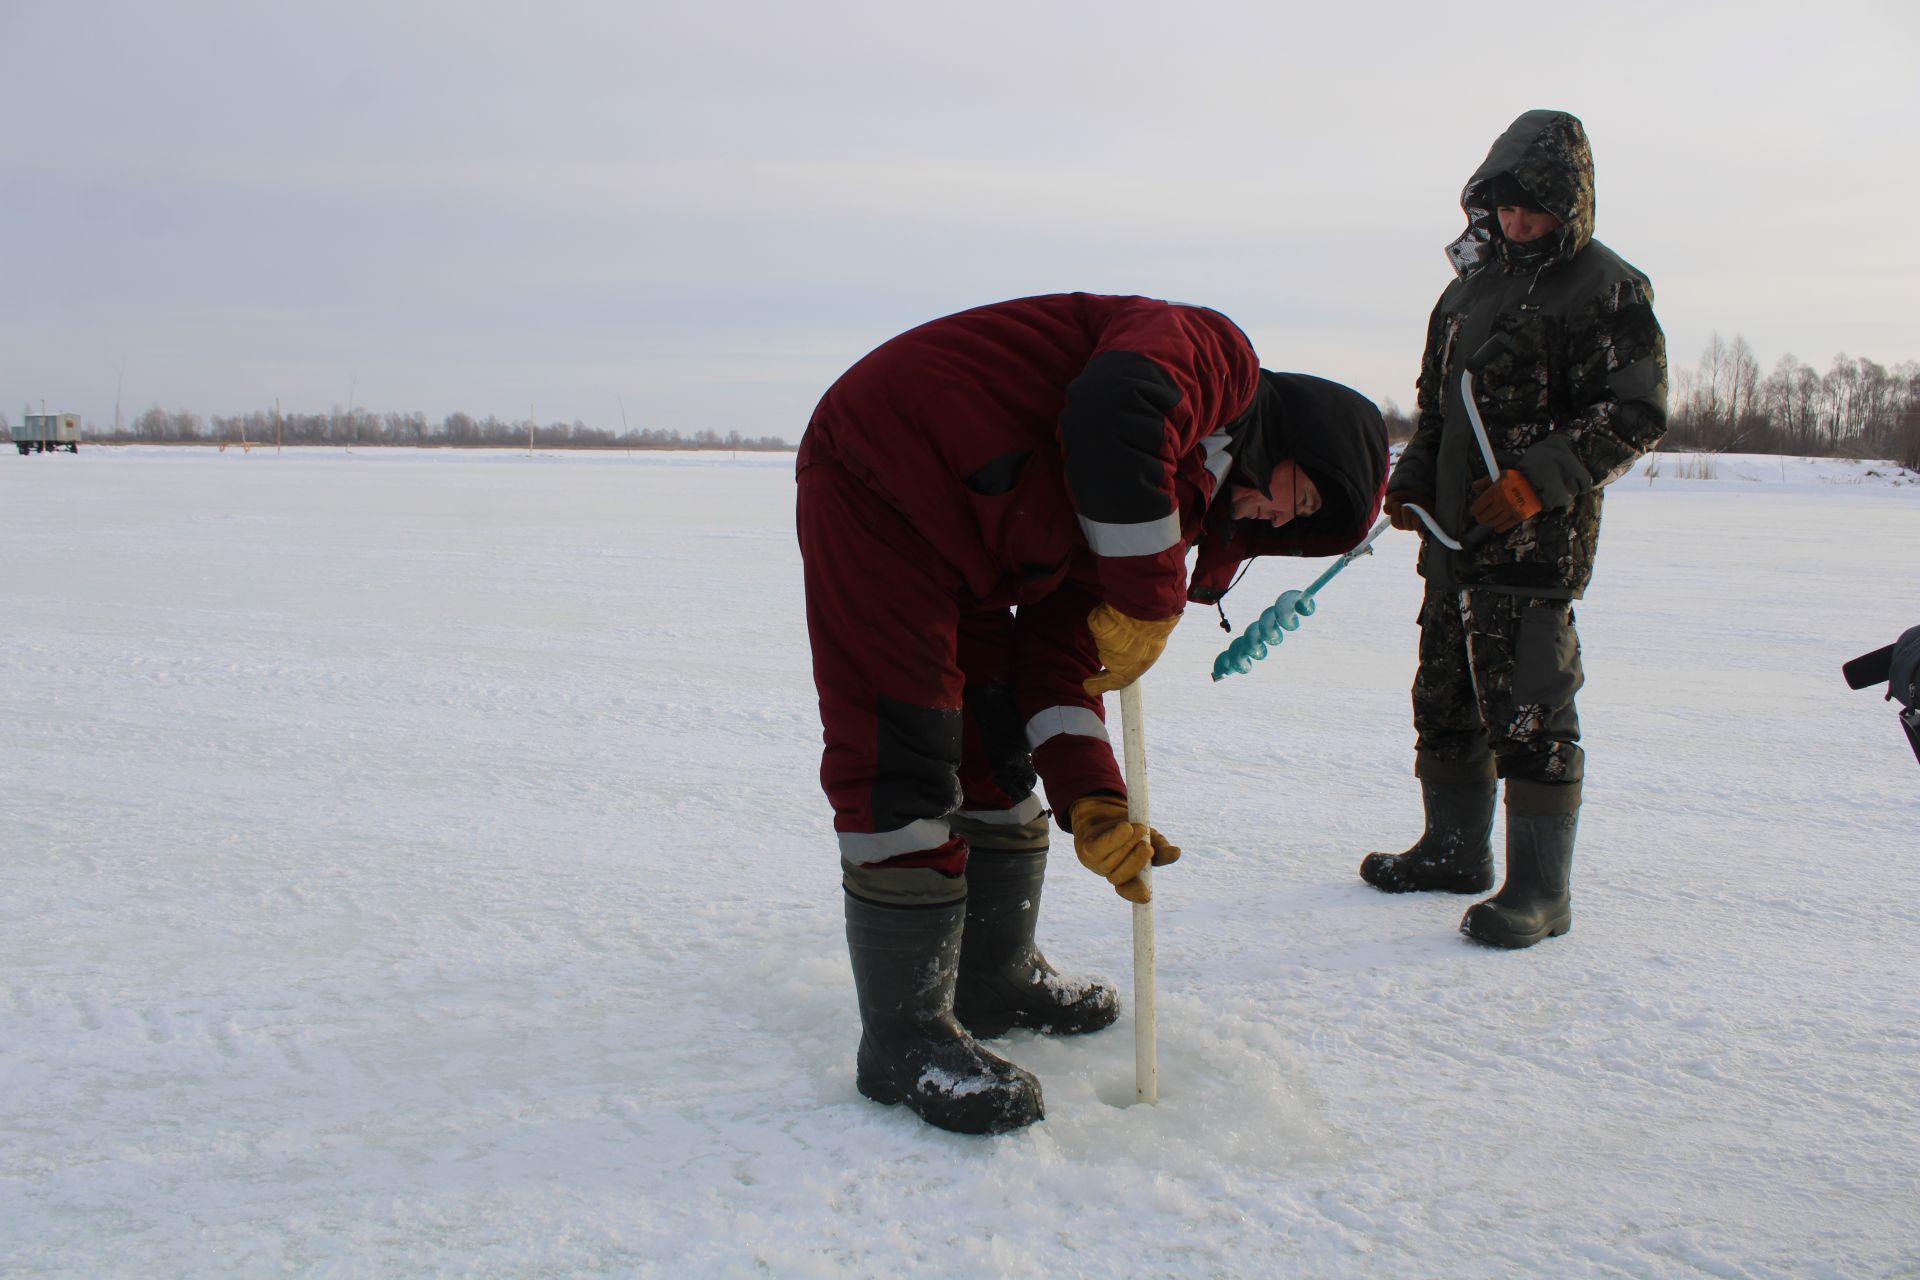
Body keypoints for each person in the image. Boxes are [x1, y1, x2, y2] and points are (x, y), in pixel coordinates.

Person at [798, 292, 1387, 1133]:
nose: (1278, 515)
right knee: (904, 746)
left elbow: (1058, 665)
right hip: (881, 475)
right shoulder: (1217, 357)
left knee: (994, 741)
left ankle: (994, 982)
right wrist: (1148, 598)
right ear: (1304, 441)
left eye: (1298, 526)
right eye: (1301, 496)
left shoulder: (1166, 511)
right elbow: (1114, 407)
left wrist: (1095, 801)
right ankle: (902, 1040)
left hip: (977, 543)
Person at [1361, 110, 1668, 949]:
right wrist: (1414, 480)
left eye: (1533, 205)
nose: (1517, 220)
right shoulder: (1467, 287)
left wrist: (1537, 485)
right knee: (1445, 693)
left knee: (1529, 705)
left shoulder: (1605, 286)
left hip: (1534, 544)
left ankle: (1541, 891)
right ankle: (1454, 851)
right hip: (1452, 539)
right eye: (1503, 204)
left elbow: (1634, 413)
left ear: (1568, 203)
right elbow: (1434, 407)